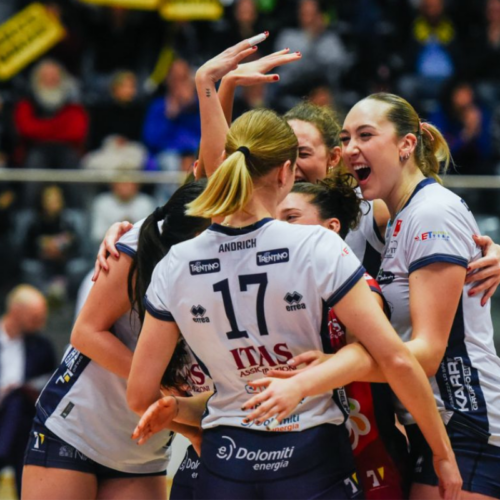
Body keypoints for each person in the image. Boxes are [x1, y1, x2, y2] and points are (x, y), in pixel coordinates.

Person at [128, 38, 461, 500]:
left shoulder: (177, 262)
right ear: (285, 173)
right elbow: (398, 359)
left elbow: (139, 395)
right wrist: (443, 455)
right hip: (310, 453)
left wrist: (186, 416)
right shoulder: (318, 244)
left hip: (226, 459)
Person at [337, 92, 500, 500]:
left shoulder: (431, 212)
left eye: (365, 135)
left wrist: (327, 371)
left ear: (406, 144)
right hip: (432, 422)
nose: (350, 148)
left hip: (466, 419)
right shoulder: (399, 216)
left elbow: (426, 353)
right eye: (345, 138)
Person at [21, 181, 210, 500]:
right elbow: (85, 333)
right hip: (76, 427)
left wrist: (188, 426)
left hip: (143, 446)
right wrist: (156, 381)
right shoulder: (138, 246)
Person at [276, 177, 409, 499]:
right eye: (273, 219)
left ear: (331, 227)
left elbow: (387, 360)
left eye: (290, 218)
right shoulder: (276, 287)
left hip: (366, 444)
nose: (278, 229)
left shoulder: (359, 287)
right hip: (298, 446)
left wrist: (332, 363)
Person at [0, 285, 56, 498]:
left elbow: (50, 384)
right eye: (35, 318)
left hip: (24, 418)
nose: (41, 324)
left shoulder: (42, 346)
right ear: (16, 311)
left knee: (16, 401)